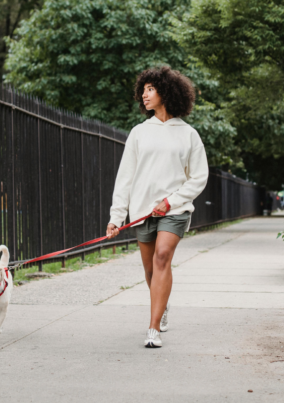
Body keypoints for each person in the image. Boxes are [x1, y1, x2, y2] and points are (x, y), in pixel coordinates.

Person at [106, 66, 208, 348]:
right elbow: (124, 177)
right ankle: (162, 307)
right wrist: (116, 217)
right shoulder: (139, 132)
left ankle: (153, 329)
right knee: (150, 269)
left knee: (162, 257)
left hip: (174, 211)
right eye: (143, 90)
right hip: (142, 211)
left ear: (166, 91)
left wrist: (171, 201)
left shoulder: (188, 135)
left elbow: (198, 177)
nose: (144, 94)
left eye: (150, 89)